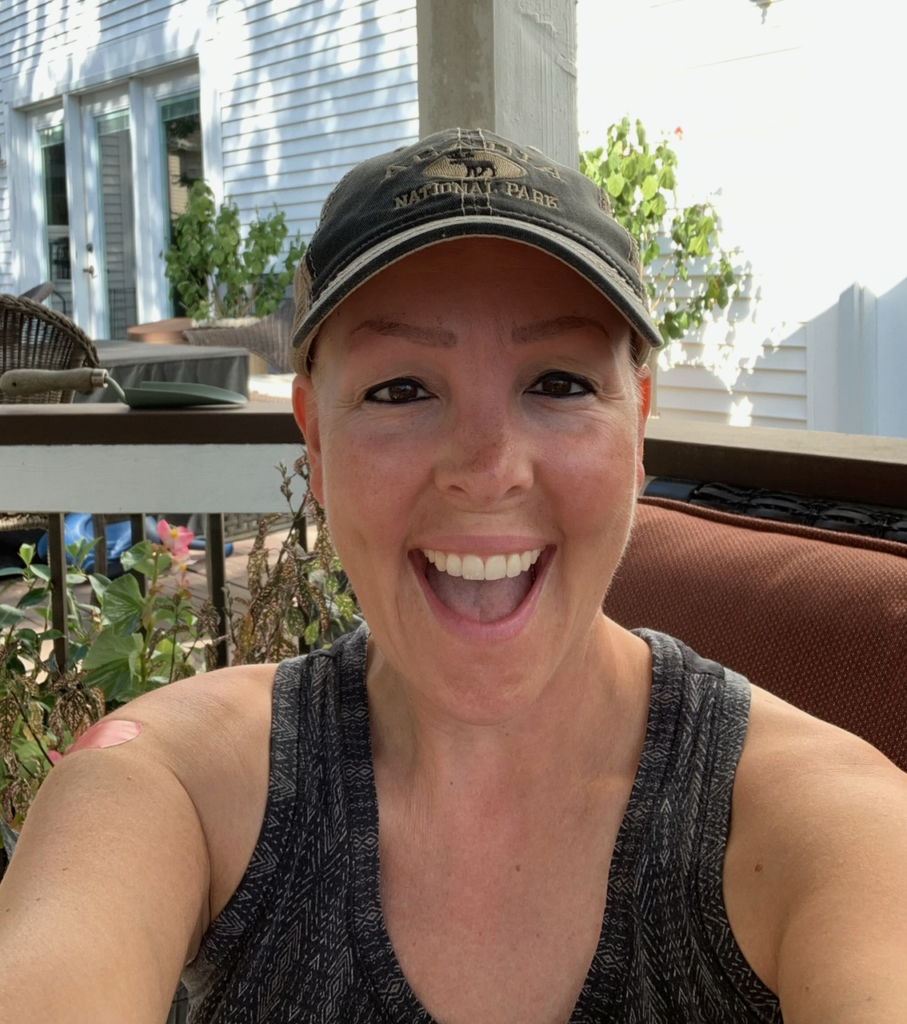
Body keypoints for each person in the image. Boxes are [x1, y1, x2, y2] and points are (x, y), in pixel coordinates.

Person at [1, 127, 905, 1024]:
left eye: (557, 382)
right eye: (401, 390)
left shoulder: (825, 824)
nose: (487, 467)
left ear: (638, 428)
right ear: (314, 441)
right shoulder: (175, 784)